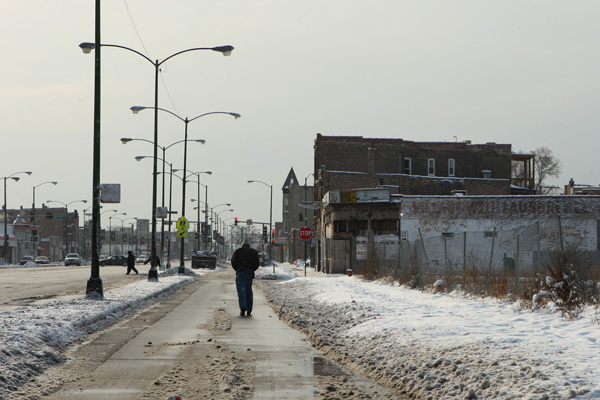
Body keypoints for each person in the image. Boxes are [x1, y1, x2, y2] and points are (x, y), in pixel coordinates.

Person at [231, 239, 260, 316]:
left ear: (242, 245)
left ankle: (243, 307)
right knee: (248, 290)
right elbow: (257, 263)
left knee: (241, 290)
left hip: (240, 272)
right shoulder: (254, 252)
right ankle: (249, 309)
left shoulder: (238, 251)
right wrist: (251, 269)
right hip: (249, 273)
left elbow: (233, 262)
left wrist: (238, 269)